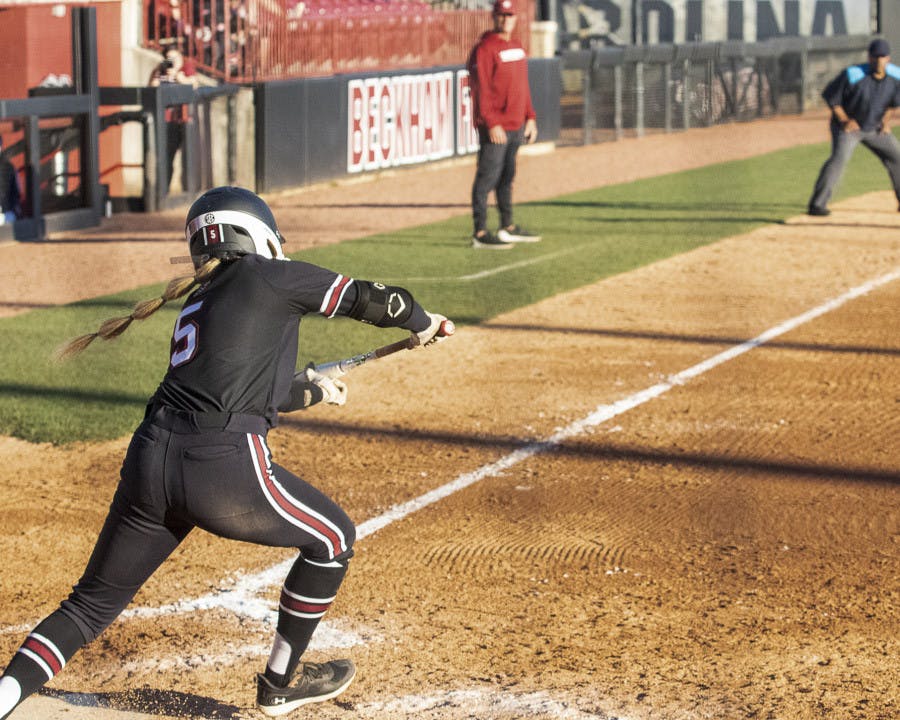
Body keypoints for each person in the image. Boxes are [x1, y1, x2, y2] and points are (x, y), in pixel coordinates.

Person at [0, 186, 451, 719]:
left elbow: (242, 389)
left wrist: (310, 387)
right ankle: (281, 684)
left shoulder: (199, 298)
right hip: (219, 466)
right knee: (333, 539)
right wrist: (424, 324)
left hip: (151, 459)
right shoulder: (271, 275)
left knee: (89, 605)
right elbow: (377, 299)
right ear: (254, 231)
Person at [467, 0, 542, 249]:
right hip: (496, 127)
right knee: (487, 178)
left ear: (515, 18)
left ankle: (507, 226)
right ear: (494, 17)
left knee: (507, 177)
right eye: (501, 15)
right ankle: (479, 231)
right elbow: (481, 90)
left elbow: (523, 86)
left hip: (516, 124)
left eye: (509, 15)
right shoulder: (485, 49)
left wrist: (530, 116)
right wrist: (491, 123)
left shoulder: (517, 46)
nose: (505, 20)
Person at [808, 38, 900, 216]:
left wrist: (886, 123)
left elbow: (893, 104)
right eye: (875, 57)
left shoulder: (895, 76)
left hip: (875, 127)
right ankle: (817, 205)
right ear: (869, 57)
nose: (878, 60)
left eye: (882, 57)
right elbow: (832, 97)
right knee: (839, 159)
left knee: (897, 157)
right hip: (849, 128)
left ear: (888, 58)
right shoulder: (853, 74)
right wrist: (845, 120)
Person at [148, 47, 198, 194]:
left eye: (174, 58)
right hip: (165, 121)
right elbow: (150, 89)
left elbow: (193, 85)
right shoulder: (160, 70)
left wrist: (178, 76)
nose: (171, 62)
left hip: (183, 121)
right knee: (165, 157)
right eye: (168, 59)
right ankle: (163, 192)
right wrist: (159, 73)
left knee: (188, 158)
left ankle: (190, 191)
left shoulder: (186, 68)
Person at [0, 138, 22, 225]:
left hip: (6, 213)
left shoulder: (9, 167)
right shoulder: (10, 166)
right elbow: (17, 191)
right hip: (8, 213)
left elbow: (16, 191)